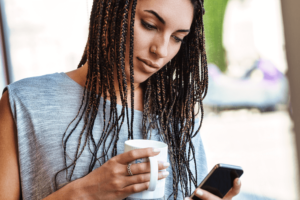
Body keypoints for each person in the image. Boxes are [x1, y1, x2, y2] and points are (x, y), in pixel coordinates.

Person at [0, 0, 241, 199]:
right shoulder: (25, 103)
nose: (162, 50)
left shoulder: (175, 116)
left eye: (177, 38)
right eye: (149, 25)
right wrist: (86, 192)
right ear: (111, 10)